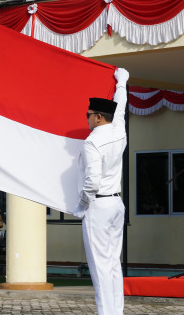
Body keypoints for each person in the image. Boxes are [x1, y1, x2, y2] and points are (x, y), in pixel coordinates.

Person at [73, 69, 128, 315]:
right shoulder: (119, 131)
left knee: (100, 266)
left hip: (99, 205)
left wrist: (83, 204)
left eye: (88, 115)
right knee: (113, 264)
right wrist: (122, 82)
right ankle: (116, 311)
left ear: (97, 117)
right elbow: (121, 106)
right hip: (117, 204)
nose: (86, 119)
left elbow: (92, 182)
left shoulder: (93, 141)